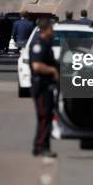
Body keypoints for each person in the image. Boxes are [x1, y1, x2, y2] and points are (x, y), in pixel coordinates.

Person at [29, 18, 59, 157]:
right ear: (46, 29)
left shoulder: (46, 44)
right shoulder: (38, 44)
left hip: (47, 86)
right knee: (44, 117)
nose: (53, 32)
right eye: (51, 29)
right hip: (41, 85)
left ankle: (41, 146)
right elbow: (36, 66)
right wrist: (52, 71)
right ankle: (41, 147)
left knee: (47, 116)